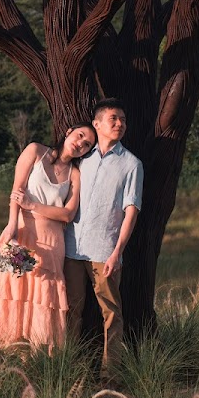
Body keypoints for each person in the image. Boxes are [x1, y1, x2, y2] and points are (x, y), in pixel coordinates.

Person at [0, 123, 97, 352]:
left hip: (52, 239)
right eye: (80, 135)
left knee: (45, 293)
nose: (81, 143)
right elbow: (16, 191)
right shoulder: (35, 151)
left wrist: (33, 205)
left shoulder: (75, 174)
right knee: (18, 290)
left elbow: (67, 214)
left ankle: (39, 354)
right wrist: (12, 225)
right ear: (69, 132)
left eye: (87, 144)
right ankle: (13, 351)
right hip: (22, 231)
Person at [64, 98, 143, 378]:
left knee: (111, 313)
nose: (120, 124)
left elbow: (131, 211)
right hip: (72, 249)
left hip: (104, 252)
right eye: (113, 119)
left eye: (123, 119)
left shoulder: (131, 164)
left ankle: (111, 373)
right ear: (97, 124)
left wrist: (116, 252)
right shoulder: (81, 160)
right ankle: (68, 368)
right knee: (71, 310)